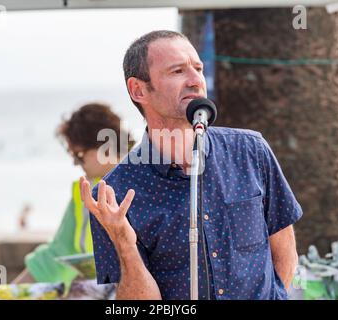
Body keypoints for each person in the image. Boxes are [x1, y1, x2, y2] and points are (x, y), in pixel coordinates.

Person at [80, 30, 303, 300]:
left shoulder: (251, 151)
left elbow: (284, 248)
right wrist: (125, 245)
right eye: (178, 71)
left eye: (198, 68)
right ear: (138, 89)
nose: (196, 80)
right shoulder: (113, 195)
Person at [13, 103, 134, 296]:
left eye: (78, 156)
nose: (74, 163)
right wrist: (9, 292)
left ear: (101, 147)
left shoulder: (148, 183)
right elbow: (57, 254)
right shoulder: (83, 194)